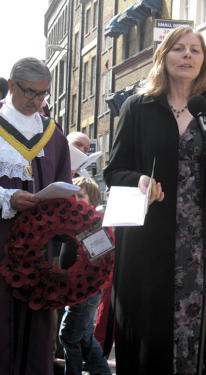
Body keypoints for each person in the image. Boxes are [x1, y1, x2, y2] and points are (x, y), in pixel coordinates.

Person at [104, 26, 206, 375]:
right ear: (164, 56)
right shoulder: (139, 107)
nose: (187, 56)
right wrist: (139, 180)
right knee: (152, 332)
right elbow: (114, 171)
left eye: (195, 50)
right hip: (150, 241)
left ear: (204, 60)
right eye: (179, 49)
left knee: (203, 332)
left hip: (205, 241)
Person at [0, 57, 71, 374]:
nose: (37, 101)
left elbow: (64, 185)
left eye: (43, 94)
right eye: (29, 92)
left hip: (39, 250)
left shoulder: (53, 134)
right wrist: (7, 197)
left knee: (37, 327)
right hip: (0, 243)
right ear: (12, 85)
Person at [58, 177, 111, 375]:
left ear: (93, 201)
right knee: (85, 337)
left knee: (69, 335)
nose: (75, 200)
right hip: (75, 288)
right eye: (72, 196)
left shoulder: (94, 223)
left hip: (85, 291)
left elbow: (98, 258)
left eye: (80, 196)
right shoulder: (73, 220)